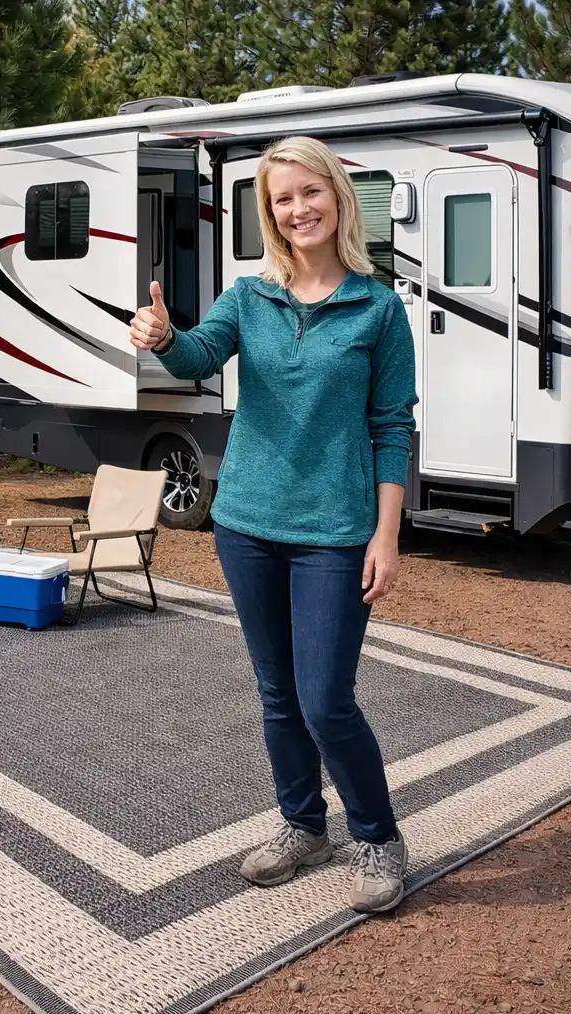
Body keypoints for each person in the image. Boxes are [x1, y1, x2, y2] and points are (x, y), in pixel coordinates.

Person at [128, 136, 418, 913]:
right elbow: (197, 356)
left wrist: (386, 535)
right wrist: (162, 339)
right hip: (247, 521)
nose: (298, 210)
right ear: (269, 212)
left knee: (326, 698)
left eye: (309, 193)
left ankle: (379, 838)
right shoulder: (246, 297)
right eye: (282, 200)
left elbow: (393, 427)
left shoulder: (378, 307)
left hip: (335, 529)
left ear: (337, 196)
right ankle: (302, 825)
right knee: (277, 694)